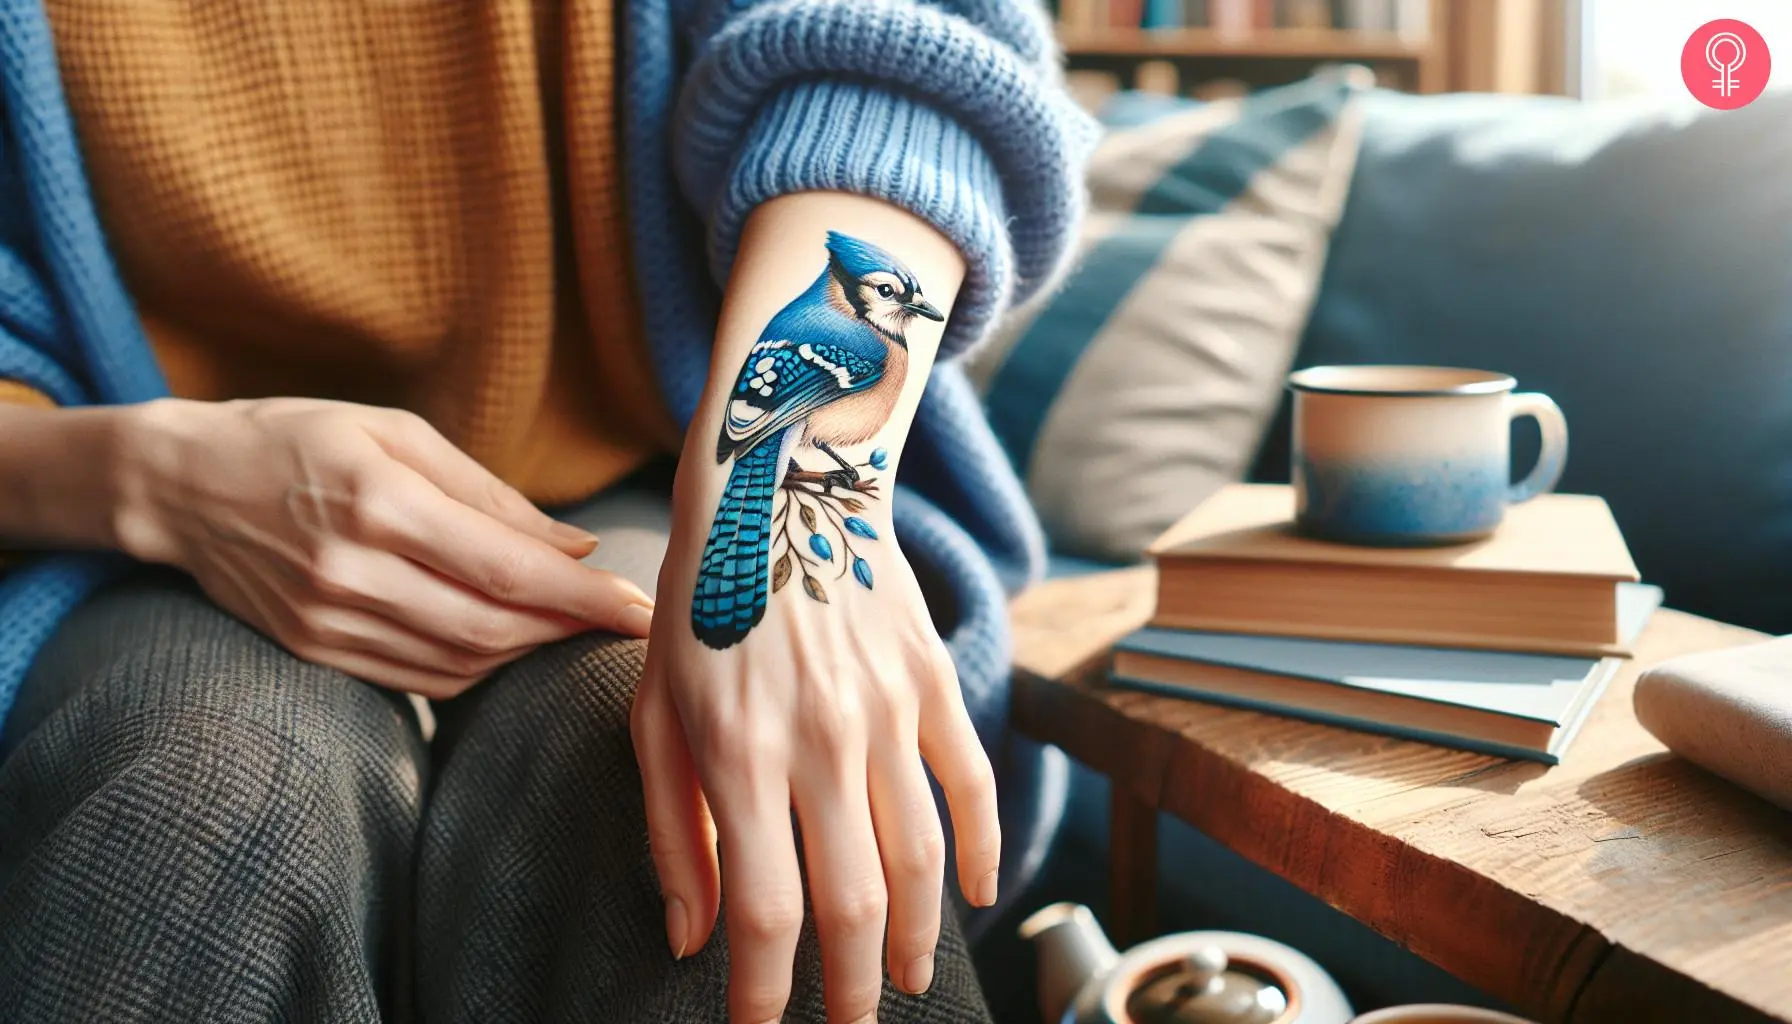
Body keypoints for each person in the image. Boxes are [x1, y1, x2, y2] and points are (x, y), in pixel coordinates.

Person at [0, 0, 1094, 1021]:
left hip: (649, 475)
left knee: (710, 808)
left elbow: (898, 58)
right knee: (202, 796)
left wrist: (774, 526)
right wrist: (148, 474)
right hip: (136, 520)